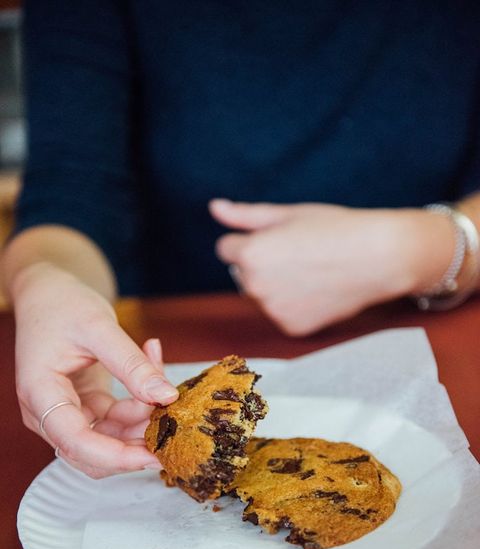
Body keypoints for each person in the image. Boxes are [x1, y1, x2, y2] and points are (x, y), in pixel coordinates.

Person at [2, 0, 480, 479]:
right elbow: (70, 189)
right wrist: (43, 279)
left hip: (452, 352)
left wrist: (427, 249)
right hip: (169, 345)